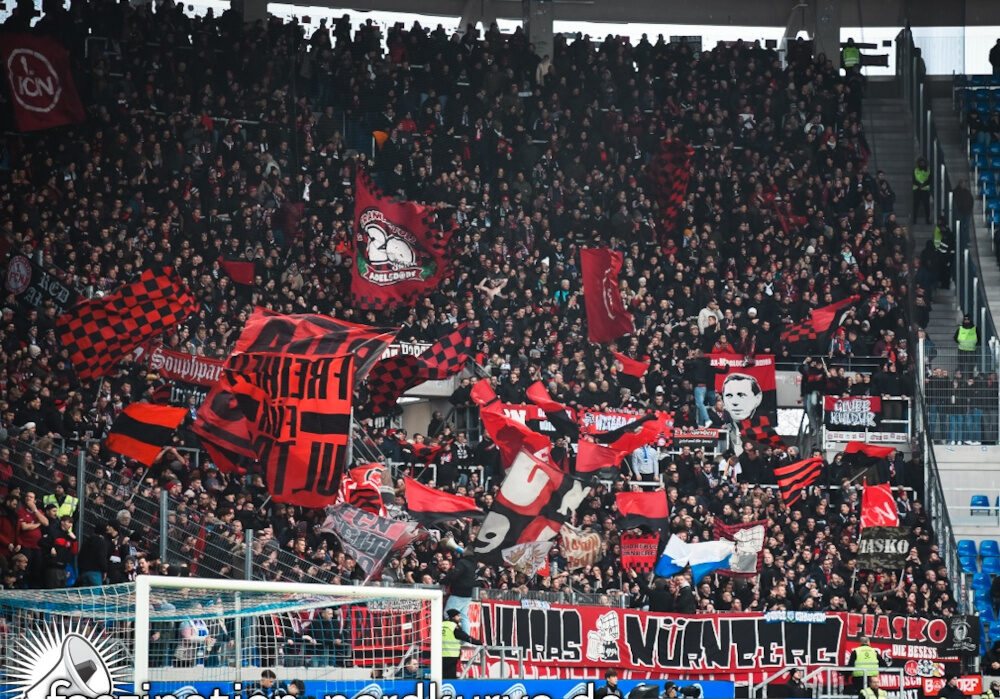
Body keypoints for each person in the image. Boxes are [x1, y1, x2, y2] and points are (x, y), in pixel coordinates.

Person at [441, 608, 482, 679]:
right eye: (458, 616)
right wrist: (479, 643)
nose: (460, 618)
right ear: (453, 617)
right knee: (450, 677)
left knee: (441, 676)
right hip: (451, 655)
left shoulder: (440, 625)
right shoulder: (453, 627)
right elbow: (466, 637)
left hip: (439, 656)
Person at [913, 157, 932, 225]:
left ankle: (927, 220)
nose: (922, 164)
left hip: (925, 190)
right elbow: (913, 179)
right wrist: (919, 185)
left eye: (923, 163)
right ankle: (914, 219)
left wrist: (923, 185)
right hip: (917, 190)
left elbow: (930, 179)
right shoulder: (915, 170)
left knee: (926, 206)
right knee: (916, 205)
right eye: (921, 163)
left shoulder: (928, 170)